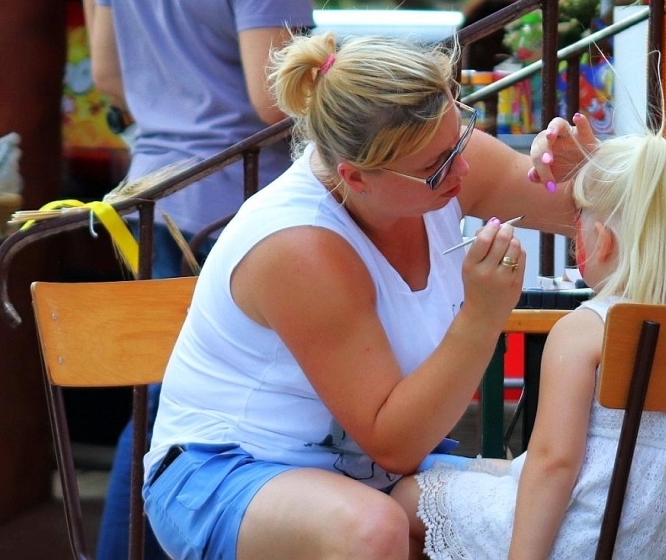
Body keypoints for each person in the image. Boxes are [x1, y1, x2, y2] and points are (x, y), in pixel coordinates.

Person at [142, 32, 587, 560]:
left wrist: (588, 169)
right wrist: (483, 314)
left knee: (564, 507)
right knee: (372, 529)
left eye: (461, 139)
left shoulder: (435, 158)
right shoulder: (298, 244)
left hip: (363, 472)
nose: (462, 170)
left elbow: (585, 213)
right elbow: (394, 443)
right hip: (228, 471)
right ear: (355, 177)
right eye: (437, 167)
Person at [83, 0, 328, 560]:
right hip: (230, 213)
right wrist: (338, 72)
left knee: (156, 408)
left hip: (144, 202)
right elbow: (274, 98)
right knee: (219, 424)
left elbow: (107, 77)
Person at [394, 133, 666, 559]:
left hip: (577, 540)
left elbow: (553, 463)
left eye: (577, 222)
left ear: (601, 241)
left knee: (406, 496)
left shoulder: (588, 330)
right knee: (478, 472)